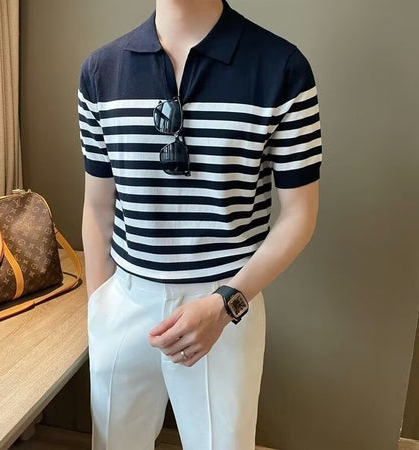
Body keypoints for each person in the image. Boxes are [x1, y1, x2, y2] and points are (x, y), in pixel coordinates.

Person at [78, 0, 322, 449]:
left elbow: (300, 215)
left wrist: (227, 304)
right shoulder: (101, 71)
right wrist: (100, 309)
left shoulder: (281, 68)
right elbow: (98, 207)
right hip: (125, 301)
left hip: (226, 305)